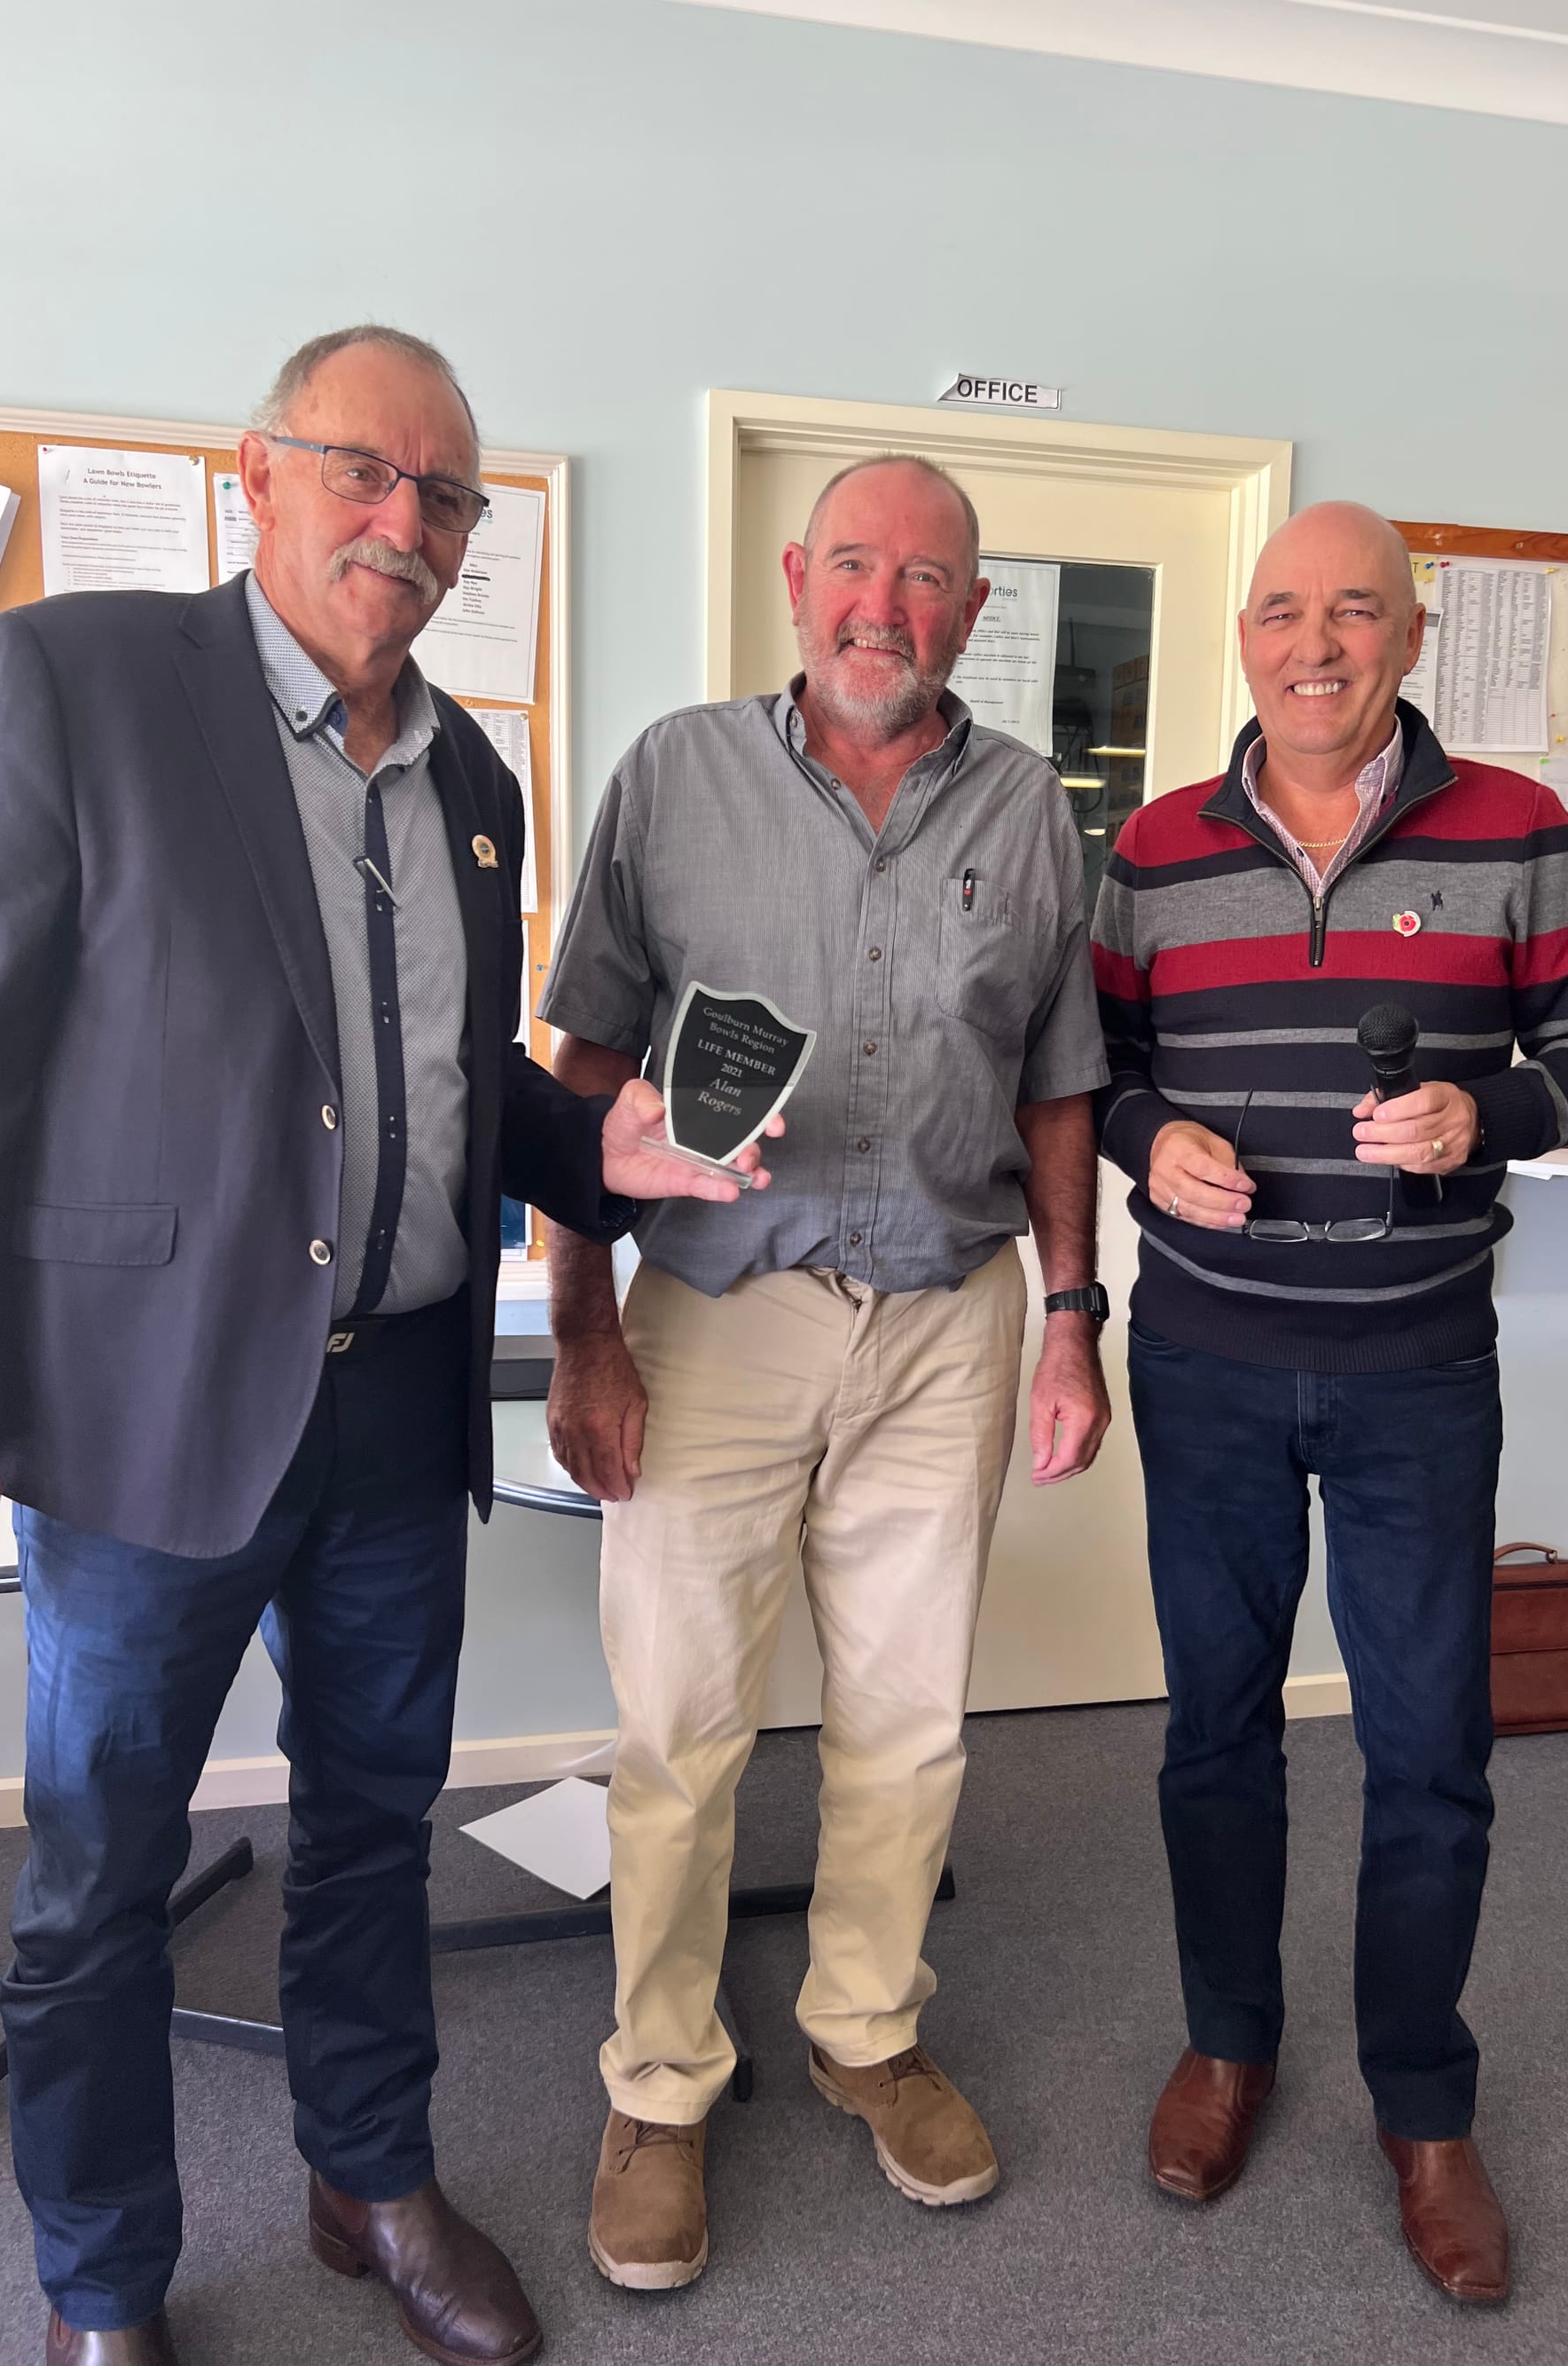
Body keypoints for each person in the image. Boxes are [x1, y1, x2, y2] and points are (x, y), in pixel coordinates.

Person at [0, 325, 774, 2366]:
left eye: (445, 495)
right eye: (364, 472)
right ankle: (102, 2281)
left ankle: (368, 2175)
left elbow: (455, 1084)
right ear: (260, 474)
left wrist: (604, 1148)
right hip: (144, 1415)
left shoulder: (473, 775)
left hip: (399, 1403)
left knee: (371, 1826)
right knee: (96, 1879)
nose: (405, 521)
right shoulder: (78, 683)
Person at [540, 453, 1112, 2289]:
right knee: (680, 1727)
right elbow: (581, 1073)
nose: (885, 603)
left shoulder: (1029, 809)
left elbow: (1057, 1083)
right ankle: (658, 2079)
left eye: (926, 576)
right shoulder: (672, 776)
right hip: (717, 1312)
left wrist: (1075, 1312)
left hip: (949, 1314)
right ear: (796, 578)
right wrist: (582, 1327)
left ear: (972, 609)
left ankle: (865, 2026)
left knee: (911, 1720)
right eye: (854, 564)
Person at [1091, 500, 1568, 2305]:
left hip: (1419, 1371)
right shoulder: (1155, 848)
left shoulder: (1518, 829)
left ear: (1408, 638)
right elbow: (1095, 1067)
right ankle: (1228, 2043)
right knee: (1214, 1728)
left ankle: (1422, 2103)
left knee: (1428, 1753)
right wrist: (1144, 1138)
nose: (1314, 643)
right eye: (1282, 611)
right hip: (1204, 1363)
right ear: (1243, 639)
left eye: (1353, 611)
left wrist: (1490, 1113)